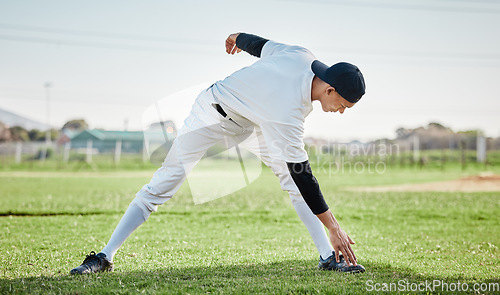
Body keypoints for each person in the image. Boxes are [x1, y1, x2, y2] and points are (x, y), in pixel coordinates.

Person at [70, 32, 366, 275]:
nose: (340, 111)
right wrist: (334, 226)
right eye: (343, 105)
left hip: (253, 122)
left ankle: (328, 257)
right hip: (211, 114)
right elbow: (305, 176)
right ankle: (104, 257)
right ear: (329, 89)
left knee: (291, 181)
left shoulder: (301, 56)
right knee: (164, 183)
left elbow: (261, 46)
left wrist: (238, 37)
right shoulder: (288, 111)